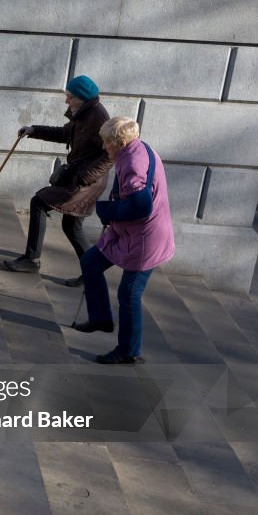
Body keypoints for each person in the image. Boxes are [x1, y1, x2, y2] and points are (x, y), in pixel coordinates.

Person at [71, 116, 175, 365]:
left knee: (129, 294)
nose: (104, 147)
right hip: (128, 232)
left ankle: (129, 351)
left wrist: (107, 211)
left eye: (107, 142)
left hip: (145, 239)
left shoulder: (133, 162)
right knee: (90, 263)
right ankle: (101, 318)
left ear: (120, 142)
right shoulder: (138, 148)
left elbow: (140, 205)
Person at [4, 75, 113, 287]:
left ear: (81, 98)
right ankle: (93, 271)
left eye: (70, 97)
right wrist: (34, 130)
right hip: (79, 177)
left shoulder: (98, 117)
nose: (66, 101)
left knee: (39, 202)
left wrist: (84, 177)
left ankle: (31, 259)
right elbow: (65, 134)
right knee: (72, 226)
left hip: (85, 183)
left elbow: (109, 155)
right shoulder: (83, 113)